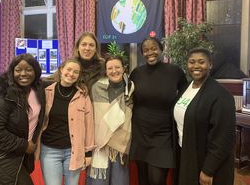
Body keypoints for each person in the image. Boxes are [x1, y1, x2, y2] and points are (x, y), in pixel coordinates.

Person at [129, 37, 187, 185]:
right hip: (140, 133)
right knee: (143, 179)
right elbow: (128, 100)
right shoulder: (136, 73)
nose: (150, 52)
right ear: (142, 53)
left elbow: (185, 98)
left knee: (157, 180)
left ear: (161, 49)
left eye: (154, 48)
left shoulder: (175, 72)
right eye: (146, 50)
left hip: (164, 135)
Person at [173, 48, 235, 185]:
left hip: (205, 160)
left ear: (210, 64)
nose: (196, 66)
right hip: (186, 153)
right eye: (191, 62)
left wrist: (209, 169)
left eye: (201, 62)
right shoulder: (185, 88)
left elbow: (223, 138)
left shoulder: (221, 95)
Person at [0, 53, 46, 185]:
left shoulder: (37, 90)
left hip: (24, 158)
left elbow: (61, 79)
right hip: (5, 158)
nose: (23, 74)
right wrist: (24, 145)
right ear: (12, 72)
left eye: (28, 69)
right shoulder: (5, 96)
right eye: (18, 70)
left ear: (36, 71)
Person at [36, 58, 95, 185]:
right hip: (49, 151)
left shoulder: (83, 95)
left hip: (73, 151)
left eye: (76, 72)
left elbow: (89, 125)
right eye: (68, 69)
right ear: (61, 69)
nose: (71, 74)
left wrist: (88, 152)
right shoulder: (47, 92)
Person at [87, 55, 134, 185]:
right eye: (110, 68)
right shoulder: (96, 88)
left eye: (117, 67)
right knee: (99, 182)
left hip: (121, 144)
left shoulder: (130, 88)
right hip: (100, 143)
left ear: (123, 69)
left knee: (120, 181)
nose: (114, 71)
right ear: (106, 71)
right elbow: (93, 115)